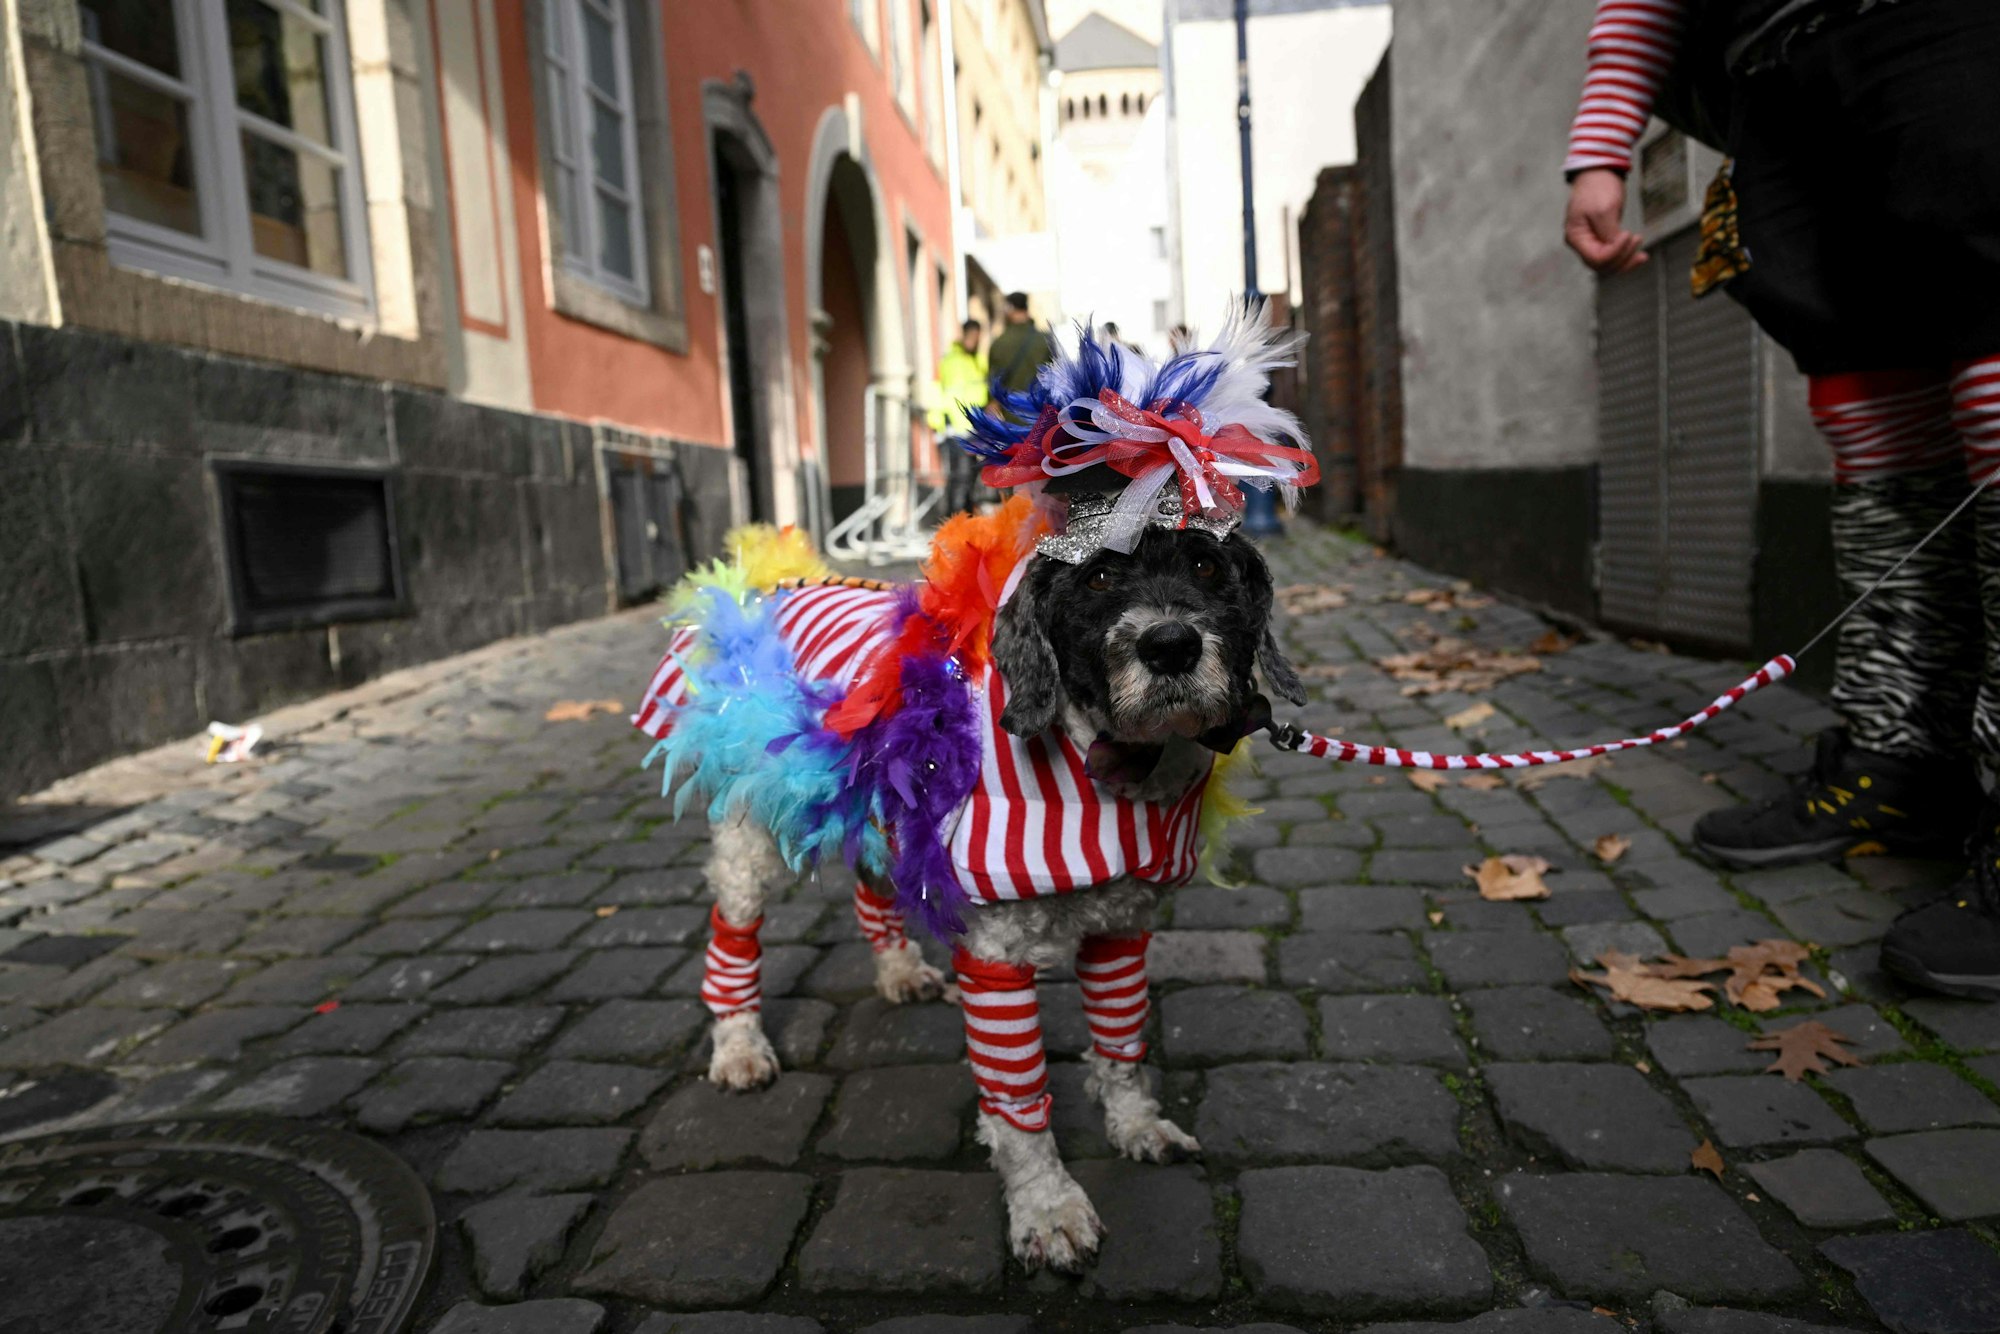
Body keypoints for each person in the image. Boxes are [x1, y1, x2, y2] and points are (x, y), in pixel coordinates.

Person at [1562, 0, 2000, 998]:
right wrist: (1600, 144)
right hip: (1768, 81)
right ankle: (1903, 763)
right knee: (1867, 413)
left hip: (1935, 30)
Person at [930, 319, 990, 516]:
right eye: (971, 336)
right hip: (956, 427)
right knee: (960, 474)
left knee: (972, 474)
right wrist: (938, 423)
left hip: (975, 427)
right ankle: (954, 517)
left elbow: (983, 392)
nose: (974, 341)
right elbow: (939, 391)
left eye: (977, 337)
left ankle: (966, 515)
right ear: (964, 335)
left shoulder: (979, 360)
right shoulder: (950, 360)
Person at [987, 291, 1054, 402]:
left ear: (1009, 310)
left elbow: (993, 382)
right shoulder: (1045, 339)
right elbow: (1055, 377)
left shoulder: (999, 343)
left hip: (1010, 410)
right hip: (1040, 411)